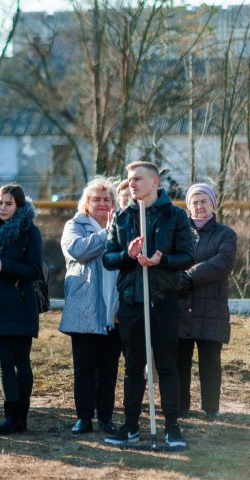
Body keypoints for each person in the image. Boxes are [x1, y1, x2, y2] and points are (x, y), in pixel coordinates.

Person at [102, 161, 195, 448]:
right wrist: (128, 255)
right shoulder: (122, 218)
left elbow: (188, 256)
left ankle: (172, 428)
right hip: (132, 302)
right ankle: (130, 427)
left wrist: (161, 261)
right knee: (133, 367)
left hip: (164, 302)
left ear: (155, 181)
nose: (132, 184)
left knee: (167, 365)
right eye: (129, 180)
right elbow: (108, 258)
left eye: (138, 179)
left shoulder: (176, 215)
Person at [0, 184, 42, 435]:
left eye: (9, 203)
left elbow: (34, 270)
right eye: (0, 203)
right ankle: (10, 417)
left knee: (20, 363)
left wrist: (5, 265)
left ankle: (21, 419)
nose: (3, 208)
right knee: (4, 363)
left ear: (19, 206)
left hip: (21, 305)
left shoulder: (30, 232)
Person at [59, 177, 122, 435]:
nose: (102, 203)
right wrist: (108, 233)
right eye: (96, 199)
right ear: (86, 203)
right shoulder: (75, 225)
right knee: (84, 368)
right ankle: (84, 418)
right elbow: (78, 250)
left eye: (107, 199)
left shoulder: (123, 226)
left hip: (114, 309)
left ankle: (106, 417)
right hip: (84, 309)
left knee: (109, 368)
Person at [178, 183, 237, 419]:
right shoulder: (180, 232)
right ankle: (180, 407)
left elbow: (222, 263)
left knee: (210, 361)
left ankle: (211, 408)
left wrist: (188, 276)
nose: (199, 206)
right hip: (181, 306)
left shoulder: (226, 234)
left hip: (211, 307)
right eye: (194, 201)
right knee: (179, 359)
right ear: (188, 205)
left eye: (204, 201)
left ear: (213, 204)